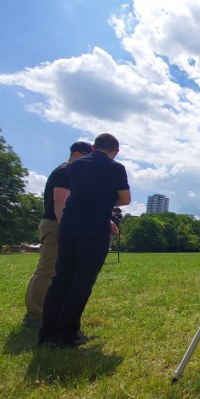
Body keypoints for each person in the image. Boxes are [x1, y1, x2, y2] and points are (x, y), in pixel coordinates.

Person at [38, 133, 130, 348]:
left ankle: (47, 331)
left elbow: (75, 192)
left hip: (69, 226)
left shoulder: (75, 166)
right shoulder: (115, 168)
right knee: (82, 281)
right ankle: (67, 334)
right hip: (94, 227)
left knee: (61, 278)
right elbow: (125, 199)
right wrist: (106, 198)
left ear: (93, 146)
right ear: (115, 152)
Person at [22, 142, 93, 329]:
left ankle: (46, 311)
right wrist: (66, 230)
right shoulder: (65, 171)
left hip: (60, 225)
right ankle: (35, 315)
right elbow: (60, 203)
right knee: (47, 270)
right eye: (88, 157)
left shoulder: (70, 171)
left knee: (55, 271)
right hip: (56, 225)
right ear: (77, 154)